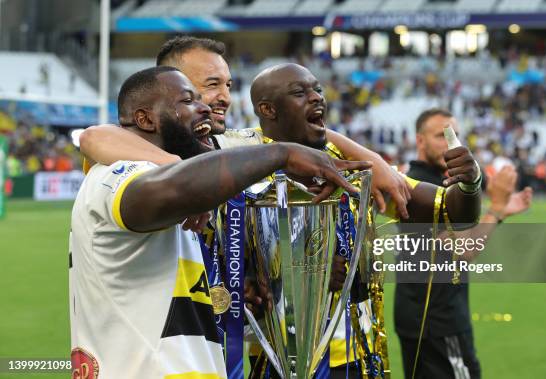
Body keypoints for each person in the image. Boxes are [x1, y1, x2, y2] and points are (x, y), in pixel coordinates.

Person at [69, 66, 371, 379]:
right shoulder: (116, 177)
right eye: (188, 100)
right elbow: (167, 188)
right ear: (146, 119)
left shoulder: (186, 190)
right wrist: (283, 154)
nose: (206, 107)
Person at [246, 64, 482, 378]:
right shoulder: (240, 167)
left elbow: (453, 213)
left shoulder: (351, 164)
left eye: (318, 89)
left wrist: (469, 182)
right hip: (277, 357)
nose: (317, 98)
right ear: (267, 109)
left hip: (354, 355)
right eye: (300, 93)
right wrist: (302, 275)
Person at [81, 36, 411, 217]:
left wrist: (375, 161)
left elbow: (289, 143)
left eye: (228, 84)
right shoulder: (128, 154)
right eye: (209, 86)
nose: (224, 97)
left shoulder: (236, 146)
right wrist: (179, 169)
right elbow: (93, 136)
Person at [395, 108, 532, 379]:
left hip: (420, 315)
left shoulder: (426, 180)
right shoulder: (422, 185)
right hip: (438, 320)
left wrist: (499, 212)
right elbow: (463, 250)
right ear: (420, 141)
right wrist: (496, 209)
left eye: (455, 134)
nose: (451, 142)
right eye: (441, 135)